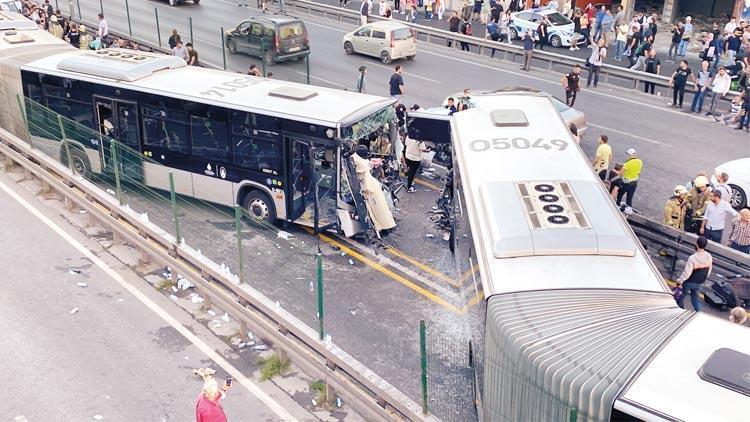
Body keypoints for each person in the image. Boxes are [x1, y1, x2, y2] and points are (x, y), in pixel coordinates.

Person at [675, 236, 712, 312]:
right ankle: (699, 314)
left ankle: (680, 311)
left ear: (697, 244)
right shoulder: (709, 256)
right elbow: (709, 269)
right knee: (695, 299)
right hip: (700, 282)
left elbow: (687, 273)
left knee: (681, 297)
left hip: (689, 282)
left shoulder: (692, 258)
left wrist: (679, 281)